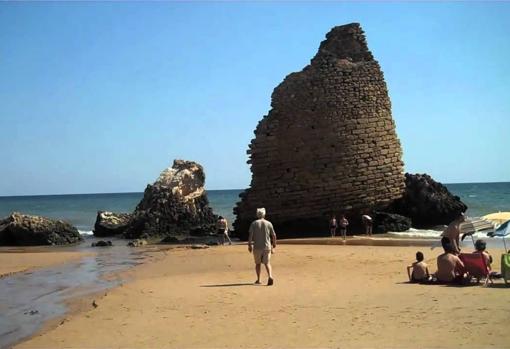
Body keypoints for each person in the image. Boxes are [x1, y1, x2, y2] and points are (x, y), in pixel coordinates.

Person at [248, 208, 277, 286]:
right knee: (267, 263)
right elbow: (273, 235)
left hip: (257, 247)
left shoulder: (254, 223)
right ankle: (270, 276)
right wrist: (274, 245)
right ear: (264, 214)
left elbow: (251, 235)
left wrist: (249, 245)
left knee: (258, 264)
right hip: (267, 246)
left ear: (257, 214)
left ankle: (258, 279)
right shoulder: (268, 223)